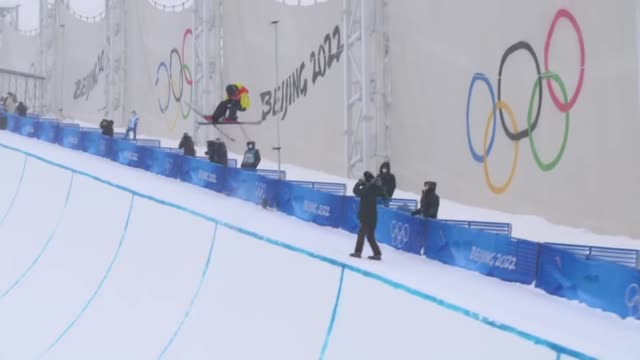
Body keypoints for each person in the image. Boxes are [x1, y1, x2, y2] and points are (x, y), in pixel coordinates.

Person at [350, 171, 385, 260]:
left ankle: (358, 252)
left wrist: (359, 184)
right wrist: (378, 185)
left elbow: (356, 191)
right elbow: (382, 193)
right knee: (370, 236)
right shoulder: (373, 188)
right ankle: (377, 254)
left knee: (361, 234)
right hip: (373, 218)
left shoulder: (368, 189)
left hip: (367, 217)